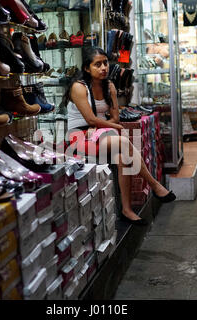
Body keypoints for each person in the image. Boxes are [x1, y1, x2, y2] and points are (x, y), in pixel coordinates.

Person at [65, 47, 176, 226]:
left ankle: (126, 209)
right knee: (123, 142)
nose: (103, 68)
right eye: (97, 64)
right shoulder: (79, 87)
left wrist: (105, 125)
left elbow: (115, 116)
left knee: (122, 155)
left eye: (105, 63)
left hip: (100, 133)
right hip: (79, 136)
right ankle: (154, 185)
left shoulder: (109, 86)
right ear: (87, 68)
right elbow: (90, 118)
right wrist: (111, 125)